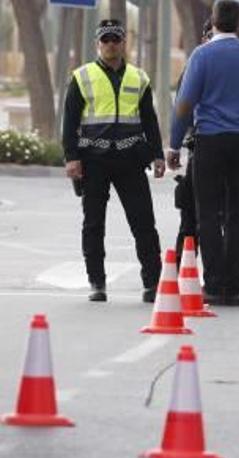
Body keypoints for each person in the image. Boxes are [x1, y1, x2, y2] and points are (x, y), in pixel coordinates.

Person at [168, 0, 239, 306]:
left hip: (210, 143)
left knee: (208, 213)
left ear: (212, 20)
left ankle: (214, 285)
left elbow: (185, 104)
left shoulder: (202, 55)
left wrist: (174, 145)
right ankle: (233, 286)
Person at [63, 19, 165, 303]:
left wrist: (157, 154)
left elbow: (150, 120)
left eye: (115, 39)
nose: (110, 44)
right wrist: (72, 158)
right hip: (93, 160)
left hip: (130, 158)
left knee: (144, 222)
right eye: (105, 39)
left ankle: (153, 283)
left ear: (123, 43)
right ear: (98, 43)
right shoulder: (82, 77)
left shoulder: (139, 78)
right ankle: (97, 282)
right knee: (94, 223)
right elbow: (70, 121)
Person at [174, 19, 215, 265]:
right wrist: (177, 143)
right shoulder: (193, 68)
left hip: (227, 153)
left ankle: (220, 279)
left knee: (221, 219)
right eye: (210, 35)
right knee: (191, 215)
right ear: (203, 39)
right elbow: (183, 109)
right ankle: (183, 268)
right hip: (199, 148)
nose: (213, 40)